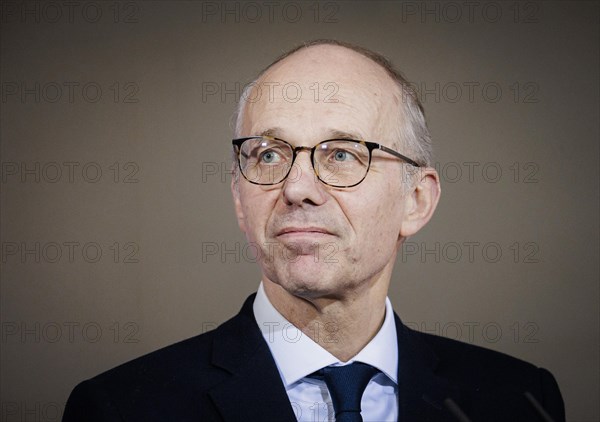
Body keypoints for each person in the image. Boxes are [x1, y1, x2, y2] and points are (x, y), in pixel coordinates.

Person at [63, 39, 565, 422]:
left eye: (342, 153)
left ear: (417, 200)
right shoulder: (121, 408)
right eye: (269, 154)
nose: (297, 187)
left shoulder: (519, 399)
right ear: (239, 197)